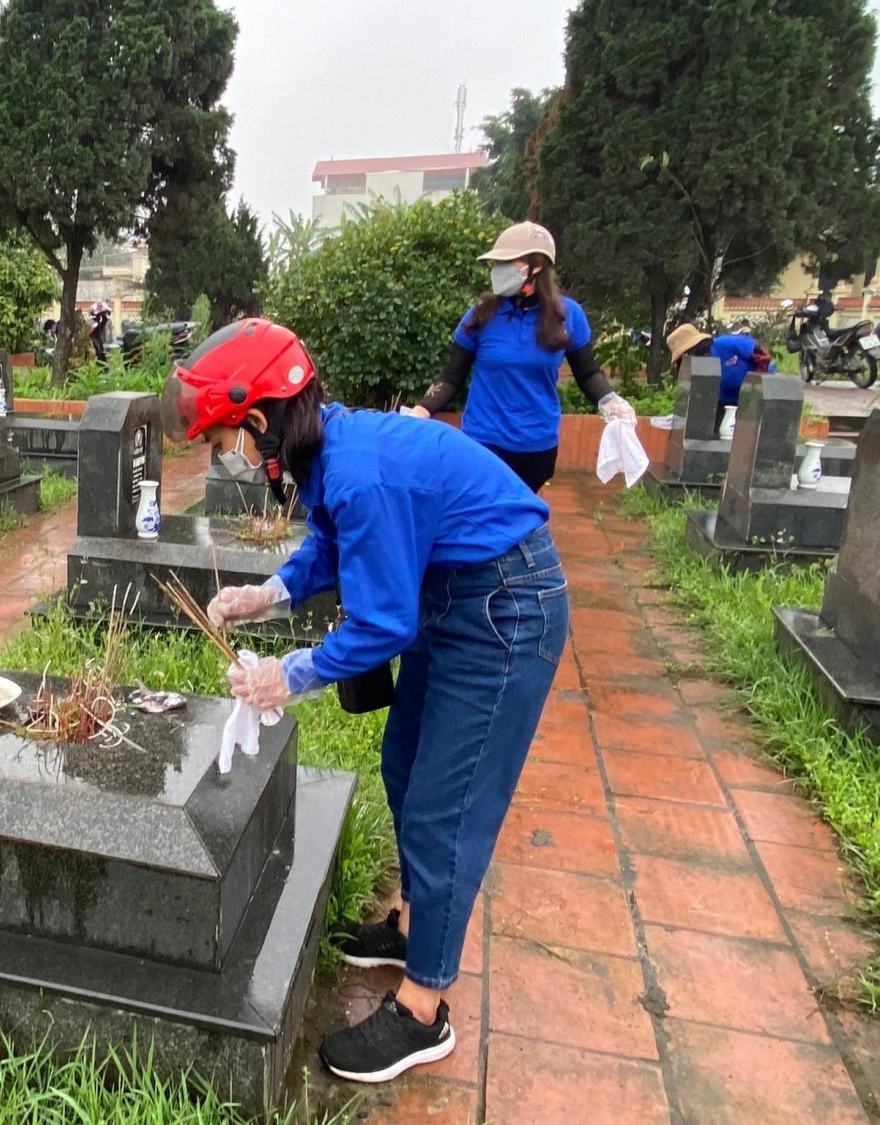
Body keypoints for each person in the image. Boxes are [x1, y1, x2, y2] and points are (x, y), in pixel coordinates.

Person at [175, 318, 569, 1085]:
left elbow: (382, 622)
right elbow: (331, 542)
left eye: (225, 441)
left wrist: (290, 674)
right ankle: (413, 923)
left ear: (260, 419)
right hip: (453, 593)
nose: (228, 457)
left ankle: (423, 1009)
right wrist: (269, 593)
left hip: (505, 607)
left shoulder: (359, 470)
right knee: (406, 761)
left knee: (446, 804)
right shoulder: (331, 450)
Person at [407, 221, 634, 493]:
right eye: (497, 263)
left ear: (536, 266)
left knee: (521, 513)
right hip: (483, 442)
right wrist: (422, 410)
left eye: (507, 262)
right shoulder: (480, 315)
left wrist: (610, 400)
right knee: (483, 513)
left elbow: (587, 373)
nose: (498, 270)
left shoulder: (568, 315)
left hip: (536, 448)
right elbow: (451, 378)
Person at [666, 323, 772, 410]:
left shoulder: (727, 343)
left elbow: (763, 356)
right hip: (727, 402)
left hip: (761, 391)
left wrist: (755, 383)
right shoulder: (693, 369)